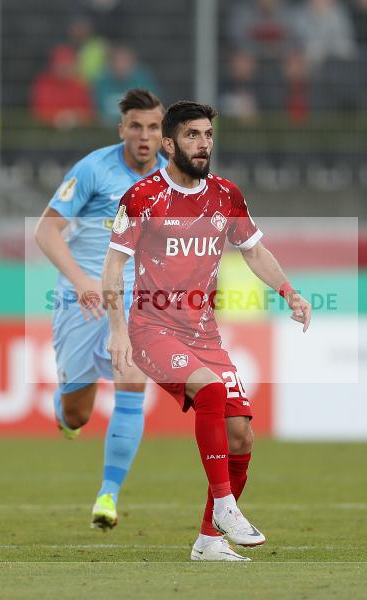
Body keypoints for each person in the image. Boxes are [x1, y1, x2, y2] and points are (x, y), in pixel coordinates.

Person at [101, 101, 312, 561]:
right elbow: (113, 266)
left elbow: (254, 251)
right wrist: (117, 330)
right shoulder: (142, 198)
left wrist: (289, 292)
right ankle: (225, 506)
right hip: (151, 328)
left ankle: (209, 541)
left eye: (208, 135)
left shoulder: (225, 196)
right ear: (170, 143)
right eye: (193, 136)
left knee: (241, 436)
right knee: (212, 393)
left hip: (204, 335)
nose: (203, 144)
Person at [33, 89, 167, 530]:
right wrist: (81, 281)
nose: (145, 136)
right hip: (82, 299)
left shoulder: (175, 178)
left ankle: (108, 495)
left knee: (132, 384)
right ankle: (64, 407)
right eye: (136, 126)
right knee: (78, 413)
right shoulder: (93, 169)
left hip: (135, 302)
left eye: (153, 127)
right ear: (122, 128)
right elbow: (47, 232)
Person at [30, 45, 95, 128]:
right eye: (60, 64)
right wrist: (57, 118)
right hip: (47, 131)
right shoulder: (43, 83)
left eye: (67, 64)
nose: (64, 68)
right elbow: (38, 113)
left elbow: (89, 114)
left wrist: (74, 117)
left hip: (77, 131)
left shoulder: (81, 85)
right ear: (53, 65)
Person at [93, 45, 157, 123]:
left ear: (132, 62)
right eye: (117, 61)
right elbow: (96, 111)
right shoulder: (101, 82)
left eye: (125, 61)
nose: (121, 65)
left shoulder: (143, 81)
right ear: (110, 63)